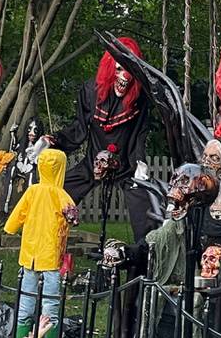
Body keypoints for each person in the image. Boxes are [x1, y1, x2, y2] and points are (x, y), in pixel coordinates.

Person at [49, 38, 156, 242]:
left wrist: (140, 162)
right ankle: (48, 244)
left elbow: (140, 132)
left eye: (129, 71)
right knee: (56, 194)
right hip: (92, 161)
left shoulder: (140, 98)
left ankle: (143, 264)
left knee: (145, 212)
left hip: (126, 166)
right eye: (118, 70)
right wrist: (54, 141)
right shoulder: (91, 91)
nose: (124, 77)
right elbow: (79, 128)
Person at [3, 147, 78, 338]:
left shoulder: (33, 190)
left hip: (30, 254)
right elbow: (72, 215)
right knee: (50, 301)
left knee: (26, 298)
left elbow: (17, 215)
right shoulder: (61, 195)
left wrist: (10, 228)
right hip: (51, 255)